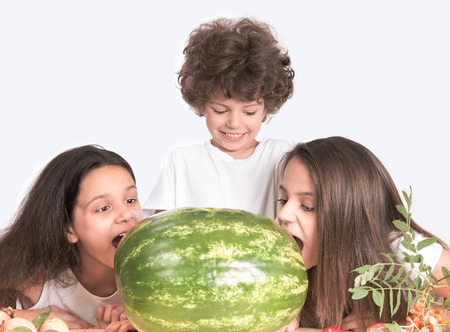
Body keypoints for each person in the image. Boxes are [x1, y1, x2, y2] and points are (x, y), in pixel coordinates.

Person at [277, 136, 450, 331]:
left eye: (307, 206)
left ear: (349, 215)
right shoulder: (285, 250)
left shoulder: (403, 252)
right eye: (283, 200)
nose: (283, 215)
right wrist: (283, 311)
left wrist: (402, 321)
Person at [143, 17, 295, 219]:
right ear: (202, 104)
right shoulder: (181, 162)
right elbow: (159, 230)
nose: (234, 123)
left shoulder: (281, 156)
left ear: (266, 107)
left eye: (249, 112)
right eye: (220, 111)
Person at [0, 145, 144, 332]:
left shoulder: (163, 273)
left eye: (130, 200)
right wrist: (30, 317)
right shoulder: (34, 277)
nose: (126, 214)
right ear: (68, 229)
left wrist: (147, 324)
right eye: (103, 208)